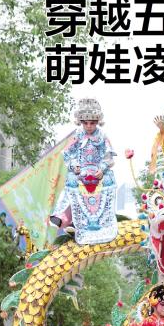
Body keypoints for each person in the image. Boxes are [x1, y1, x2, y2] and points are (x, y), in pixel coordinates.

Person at [49, 98, 117, 245]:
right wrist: (75, 166)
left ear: (98, 122)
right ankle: (64, 218)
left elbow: (109, 156)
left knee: (108, 180)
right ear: (80, 122)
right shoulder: (78, 135)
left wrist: (102, 169)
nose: (89, 126)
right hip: (81, 172)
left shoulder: (102, 136)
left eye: (92, 123)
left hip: (98, 172)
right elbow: (68, 154)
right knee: (71, 181)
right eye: (85, 123)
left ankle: (102, 223)